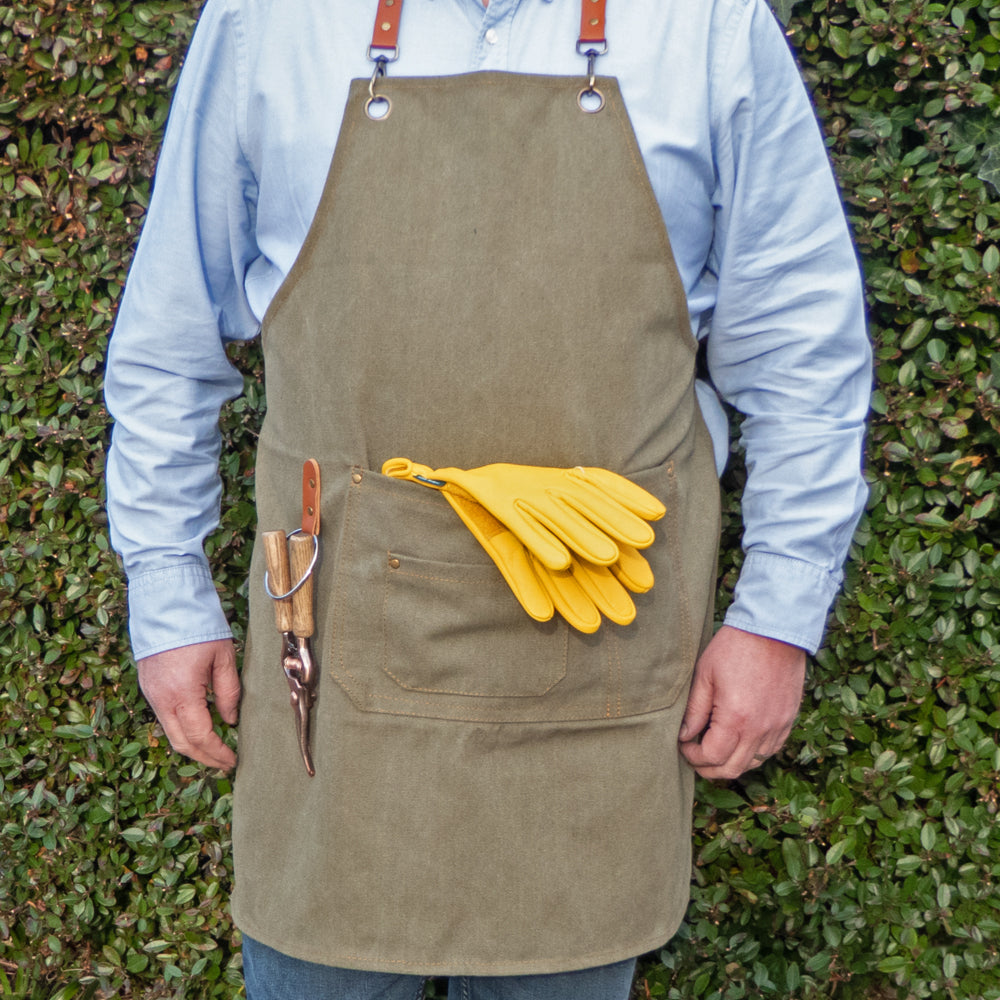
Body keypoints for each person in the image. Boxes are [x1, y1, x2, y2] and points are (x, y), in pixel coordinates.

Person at [104, 0, 871, 997]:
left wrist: (779, 613)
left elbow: (803, 352)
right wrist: (166, 592)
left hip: (595, 652)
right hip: (333, 684)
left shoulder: (707, 23)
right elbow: (167, 341)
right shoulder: (269, 20)